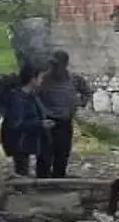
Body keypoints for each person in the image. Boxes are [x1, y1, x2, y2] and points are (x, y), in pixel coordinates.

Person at [37, 50, 90, 178]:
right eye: (52, 64)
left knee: (62, 152)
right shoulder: (44, 79)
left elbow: (86, 92)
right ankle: (42, 180)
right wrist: (42, 111)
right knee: (45, 153)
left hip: (65, 122)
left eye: (57, 65)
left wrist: (80, 103)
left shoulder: (74, 79)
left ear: (65, 64)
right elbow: (35, 96)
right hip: (48, 122)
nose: (54, 68)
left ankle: (58, 179)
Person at [2, 66, 51, 177]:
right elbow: (16, 124)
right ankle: (21, 191)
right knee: (22, 170)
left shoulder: (32, 96)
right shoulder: (19, 99)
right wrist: (39, 124)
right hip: (20, 141)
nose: (42, 81)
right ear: (32, 79)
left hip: (26, 141)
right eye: (40, 78)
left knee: (24, 169)